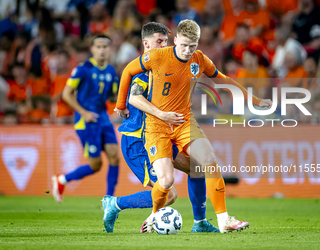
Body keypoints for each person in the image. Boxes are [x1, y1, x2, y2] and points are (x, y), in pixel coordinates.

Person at [115, 20, 272, 233]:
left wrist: (254, 100)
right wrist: (120, 105)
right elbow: (127, 71)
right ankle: (153, 216)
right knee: (167, 180)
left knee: (207, 160)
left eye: (193, 46)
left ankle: (223, 219)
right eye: (184, 45)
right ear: (176, 39)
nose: (188, 51)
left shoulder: (200, 60)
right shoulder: (157, 56)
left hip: (183, 121)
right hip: (156, 126)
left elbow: (223, 80)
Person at [102, 22, 219, 234]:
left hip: (161, 135)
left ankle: (200, 223)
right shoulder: (143, 73)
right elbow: (135, 97)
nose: (164, 45)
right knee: (170, 193)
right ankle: (115, 204)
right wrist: (159, 113)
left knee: (197, 168)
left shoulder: (168, 64)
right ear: (146, 44)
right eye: (159, 41)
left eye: (166, 41)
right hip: (138, 140)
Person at [51, 34, 119, 202]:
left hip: (103, 119)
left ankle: (109, 200)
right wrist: (84, 112)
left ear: (109, 50)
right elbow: (67, 94)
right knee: (96, 165)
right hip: (86, 122)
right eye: (99, 47)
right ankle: (62, 179)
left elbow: (112, 96)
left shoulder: (111, 71)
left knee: (115, 157)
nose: (102, 50)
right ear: (92, 49)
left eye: (105, 47)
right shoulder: (83, 69)